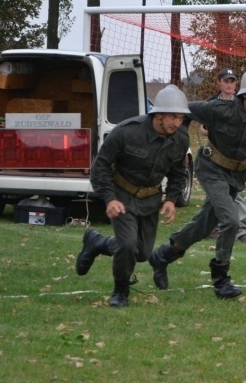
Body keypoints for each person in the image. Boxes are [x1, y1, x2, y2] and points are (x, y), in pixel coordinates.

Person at [148, 65, 246, 298]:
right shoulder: (219, 109)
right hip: (211, 169)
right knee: (231, 220)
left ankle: (163, 255)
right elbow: (184, 110)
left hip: (236, 176)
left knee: (204, 224)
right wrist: (178, 138)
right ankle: (221, 278)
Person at [75, 85, 191, 307]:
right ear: (158, 114)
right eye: (173, 117)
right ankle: (120, 291)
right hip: (122, 196)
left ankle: (96, 242)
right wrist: (109, 198)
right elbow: (100, 166)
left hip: (150, 200)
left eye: (181, 117)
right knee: (127, 245)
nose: (177, 123)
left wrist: (171, 200)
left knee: (142, 253)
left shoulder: (181, 139)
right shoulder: (127, 131)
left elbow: (178, 174)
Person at [199, 68, 246, 244]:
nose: (229, 84)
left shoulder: (242, 101)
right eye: (226, 81)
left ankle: (242, 230)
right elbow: (202, 129)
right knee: (215, 192)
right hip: (215, 154)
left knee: (237, 192)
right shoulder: (211, 103)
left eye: (232, 81)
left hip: (235, 155)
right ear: (219, 82)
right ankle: (213, 227)